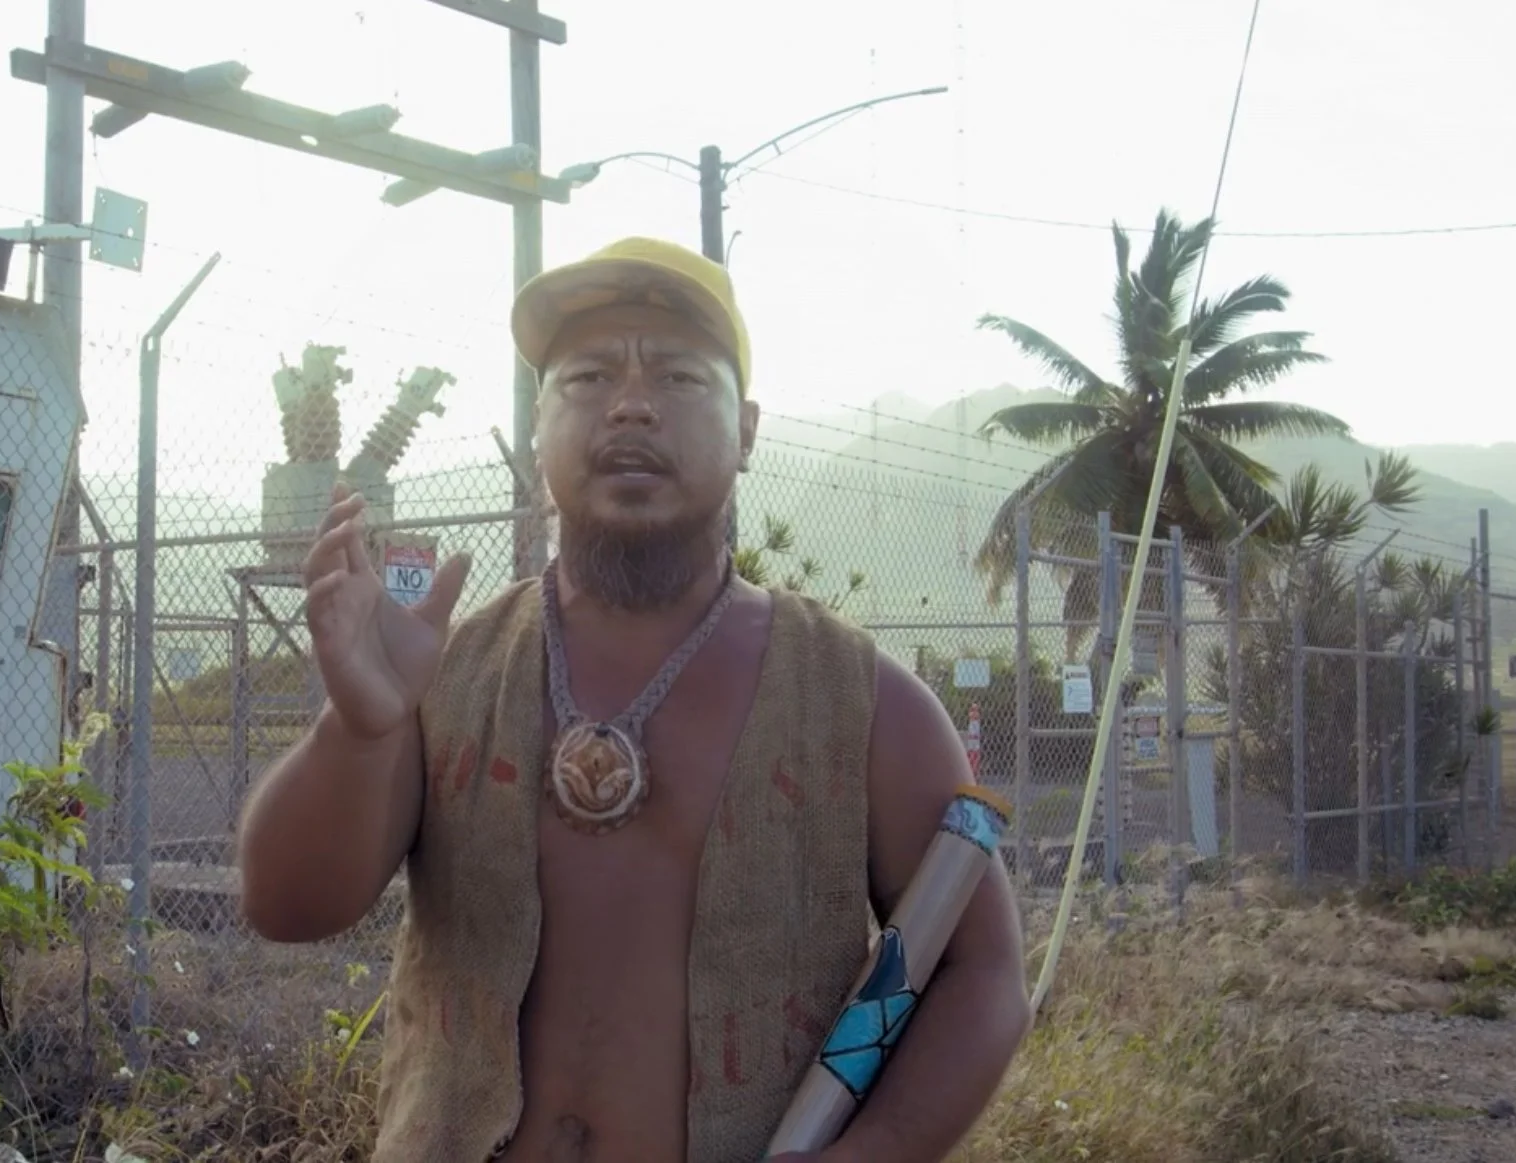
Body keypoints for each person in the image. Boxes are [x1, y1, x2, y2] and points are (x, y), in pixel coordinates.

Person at [237, 237, 1031, 1162]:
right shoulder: (442, 676)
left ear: (746, 431)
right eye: (586, 377)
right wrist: (359, 728)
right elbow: (286, 907)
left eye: (680, 376)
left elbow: (980, 971)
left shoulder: (863, 703)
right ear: (537, 429)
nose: (630, 404)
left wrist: (870, 1153)